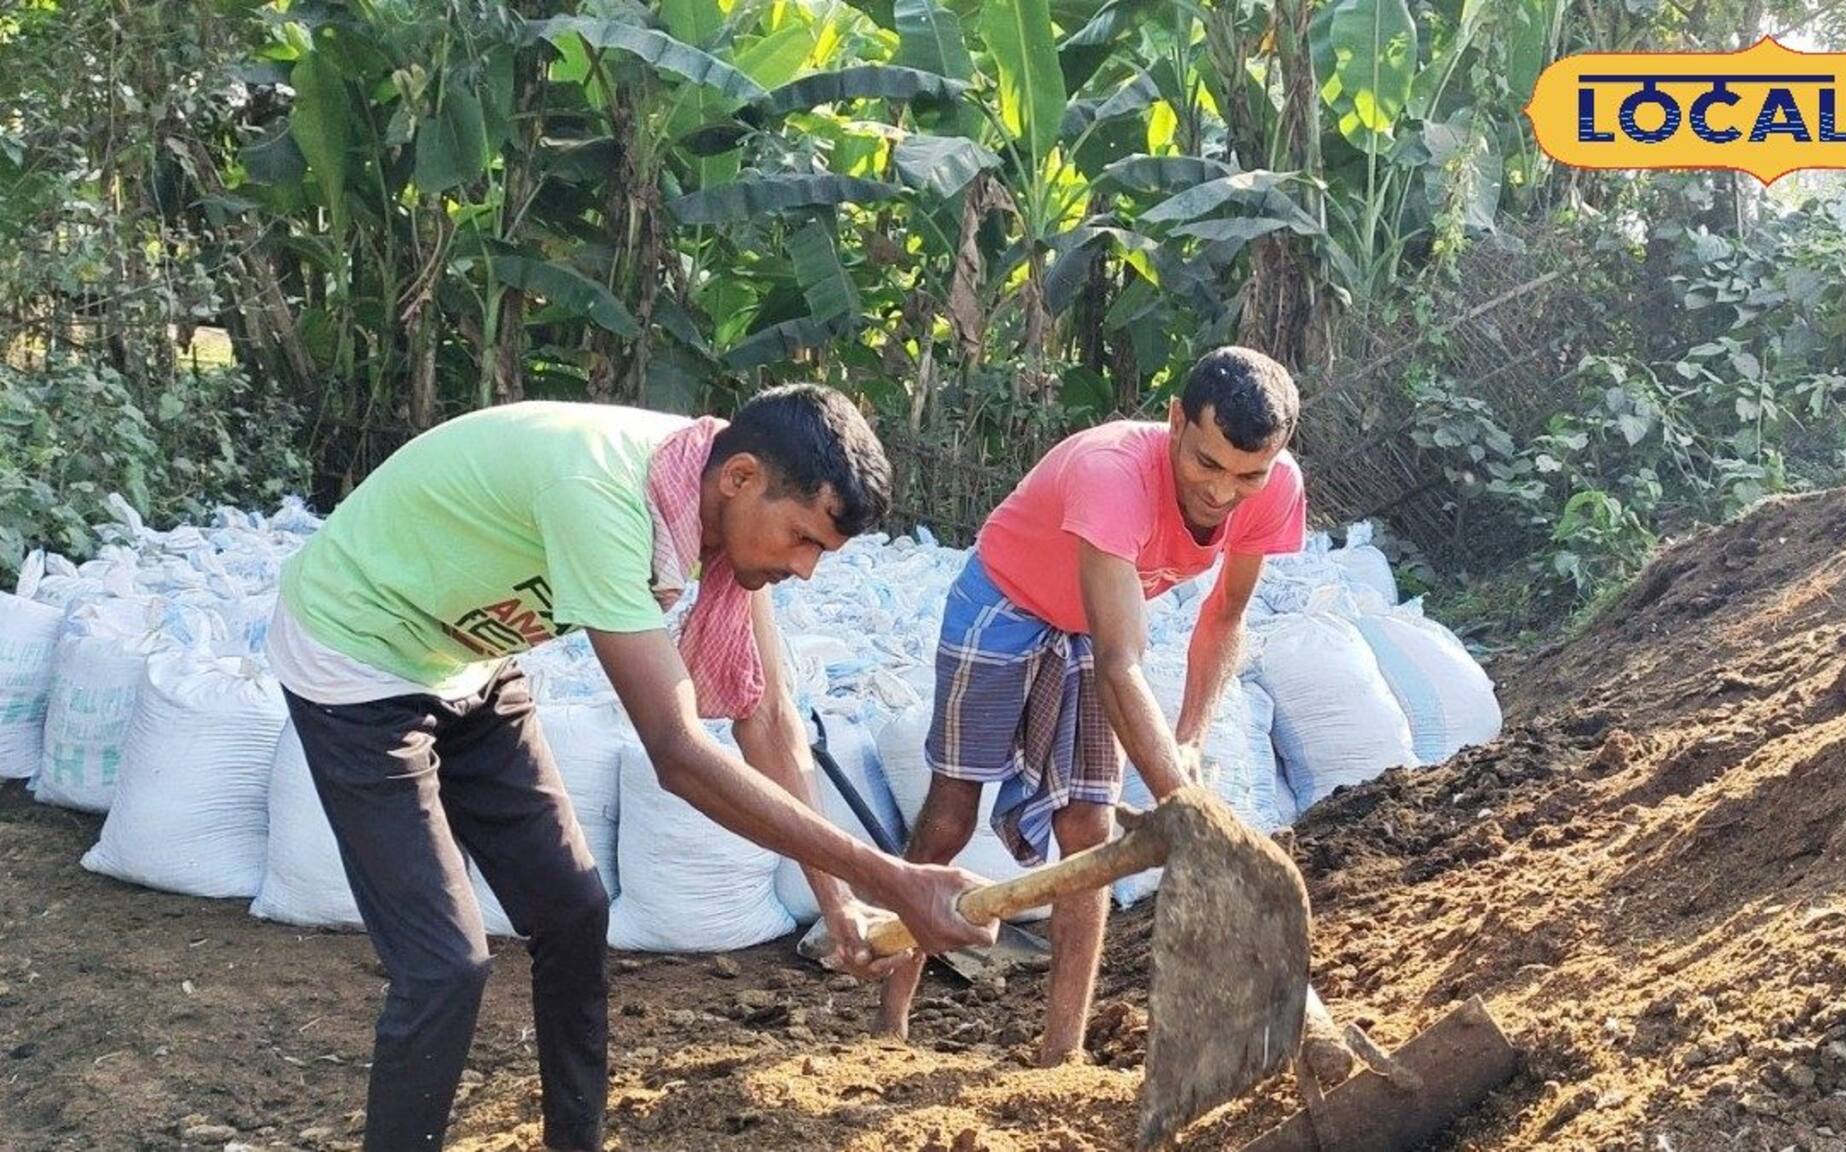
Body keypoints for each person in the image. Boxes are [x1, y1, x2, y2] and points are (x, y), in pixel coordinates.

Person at [265, 386, 996, 1152]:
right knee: (446, 966)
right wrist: (896, 879)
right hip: (355, 657)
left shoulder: (709, 499)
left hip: (467, 661)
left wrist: (839, 903)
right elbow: (677, 754)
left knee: (576, 912)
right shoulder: (603, 495)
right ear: (741, 478)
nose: (805, 569)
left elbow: (768, 718)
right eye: (801, 539)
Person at [875, 346, 1308, 1065]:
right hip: (1005, 601)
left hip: (1089, 622)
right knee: (950, 815)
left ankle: (1060, 1056)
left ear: (1277, 457)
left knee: (1091, 829)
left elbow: (1225, 616)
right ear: (1175, 421)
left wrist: (1189, 740)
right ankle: (888, 1025)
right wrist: (1182, 804)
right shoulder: (1113, 474)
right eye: (1206, 464)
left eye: (1247, 475)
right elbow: (1120, 663)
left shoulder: (1277, 489)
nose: (1223, 494)